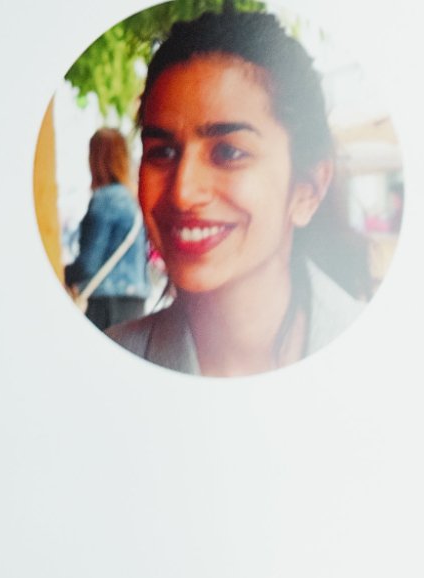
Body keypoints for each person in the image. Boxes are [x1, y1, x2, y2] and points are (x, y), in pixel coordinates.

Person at [109, 8, 367, 377]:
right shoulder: (104, 366)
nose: (182, 193)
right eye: (162, 152)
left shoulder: (391, 364)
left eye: (228, 152)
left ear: (308, 189)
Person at [65, 128, 151, 331]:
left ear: (96, 158)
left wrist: (63, 273)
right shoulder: (134, 200)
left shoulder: (105, 199)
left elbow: (88, 264)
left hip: (106, 304)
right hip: (135, 302)